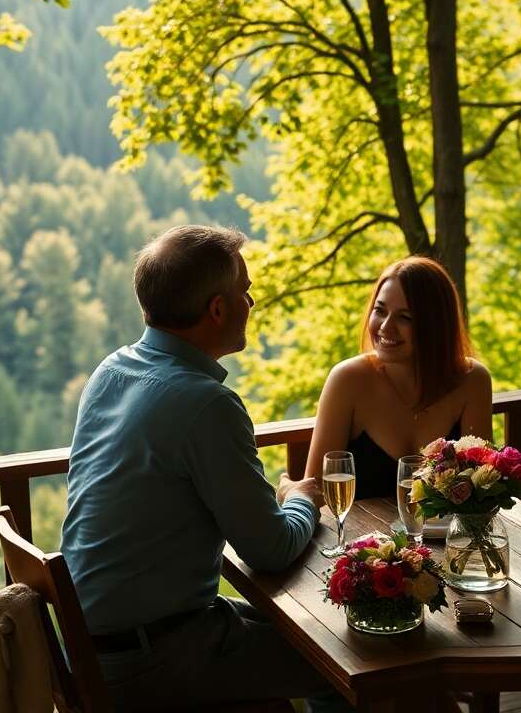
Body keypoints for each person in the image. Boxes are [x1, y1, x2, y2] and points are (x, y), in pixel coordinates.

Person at [60, 225, 350, 712]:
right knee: (345, 660)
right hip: (151, 658)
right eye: (246, 291)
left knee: (308, 634)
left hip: (93, 645)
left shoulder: (111, 370)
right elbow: (272, 550)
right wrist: (302, 497)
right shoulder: (204, 404)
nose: (251, 303)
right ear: (217, 309)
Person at [306, 256, 493, 498]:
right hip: (358, 536)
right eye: (380, 310)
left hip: (445, 536)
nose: (385, 327)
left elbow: (483, 488)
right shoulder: (348, 380)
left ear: (435, 325)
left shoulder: (472, 380)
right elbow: (315, 492)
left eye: (405, 317)